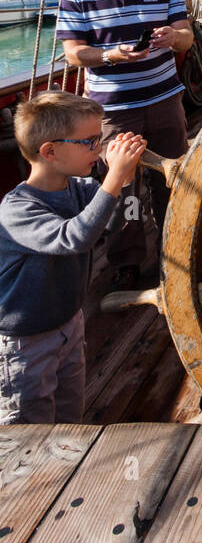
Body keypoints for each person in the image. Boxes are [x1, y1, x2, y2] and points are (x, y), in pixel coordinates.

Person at [56, 0, 194, 290]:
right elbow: (73, 54)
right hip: (115, 111)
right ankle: (127, 262)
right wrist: (112, 55)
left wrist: (172, 36)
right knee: (121, 186)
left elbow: (187, 38)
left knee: (172, 179)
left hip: (165, 101)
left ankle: (175, 251)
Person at [0, 91, 145, 423]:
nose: (99, 148)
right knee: (28, 429)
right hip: (25, 342)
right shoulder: (17, 209)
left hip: (69, 324)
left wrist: (123, 177)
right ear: (50, 151)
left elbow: (109, 219)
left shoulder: (77, 188)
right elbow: (74, 237)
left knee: (69, 414)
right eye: (90, 142)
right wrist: (112, 178)